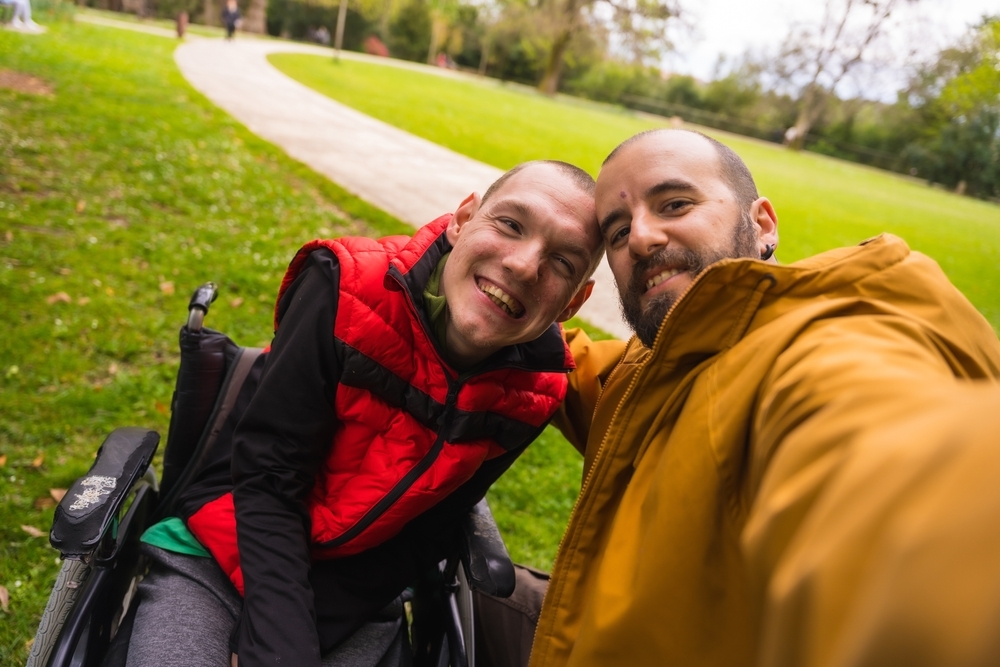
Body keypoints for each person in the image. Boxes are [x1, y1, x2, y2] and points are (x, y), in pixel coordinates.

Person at [526, 129, 1000, 667]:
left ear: (762, 223)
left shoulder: (815, 354)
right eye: (615, 232)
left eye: (675, 204)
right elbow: (576, 367)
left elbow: (886, 463)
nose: (640, 238)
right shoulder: (667, 363)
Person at [124, 160, 604, 667]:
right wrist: (279, 645)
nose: (525, 265)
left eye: (563, 263)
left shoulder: (534, 393)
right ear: (463, 219)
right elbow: (267, 477)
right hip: (225, 544)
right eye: (510, 224)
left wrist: (309, 633)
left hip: (356, 591)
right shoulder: (346, 288)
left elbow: (429, 532)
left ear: (575, 300)